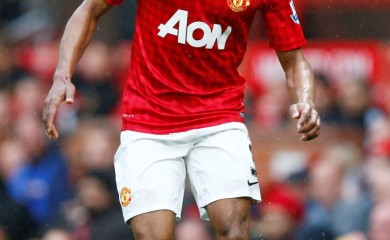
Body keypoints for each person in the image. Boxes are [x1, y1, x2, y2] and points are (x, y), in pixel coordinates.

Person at [43, 0, 321, 239]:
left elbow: (295, 60)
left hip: (218, 116)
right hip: (147, 119)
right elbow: (89, 8)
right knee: (152, 234)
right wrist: (61, 76)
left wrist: (306, 101)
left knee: (233, 229)